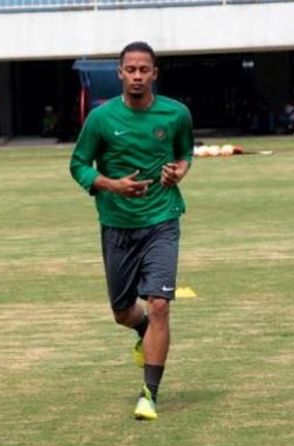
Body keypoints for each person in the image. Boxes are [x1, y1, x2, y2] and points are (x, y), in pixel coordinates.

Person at [70, 41, 193, 421]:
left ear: (154, 73)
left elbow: (184, 154)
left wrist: (179, 171)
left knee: (159, 305)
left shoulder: (176, 114)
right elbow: (78, 165)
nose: (138, 76)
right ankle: (140, 331)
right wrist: (111, 184)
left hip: (161, 220)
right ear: (120, 74)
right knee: (123, 312)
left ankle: (149, 394)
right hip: (117, 225)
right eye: (131, 69)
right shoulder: (101, 119)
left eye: (145, 69)